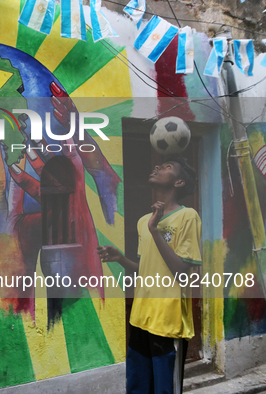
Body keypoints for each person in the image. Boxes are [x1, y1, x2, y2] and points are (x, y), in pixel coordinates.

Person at [97, 156, 202, 394]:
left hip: (168, 317)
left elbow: (181, 271)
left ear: (179, 183)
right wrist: (121, 259)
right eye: (158, 165)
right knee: (138, 386)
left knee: (164, 388)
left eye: (167, 167)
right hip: (141, 315)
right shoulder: (144, 221)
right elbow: (145, 271)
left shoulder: (188, 217)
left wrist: (155, 231)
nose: (157, 167)